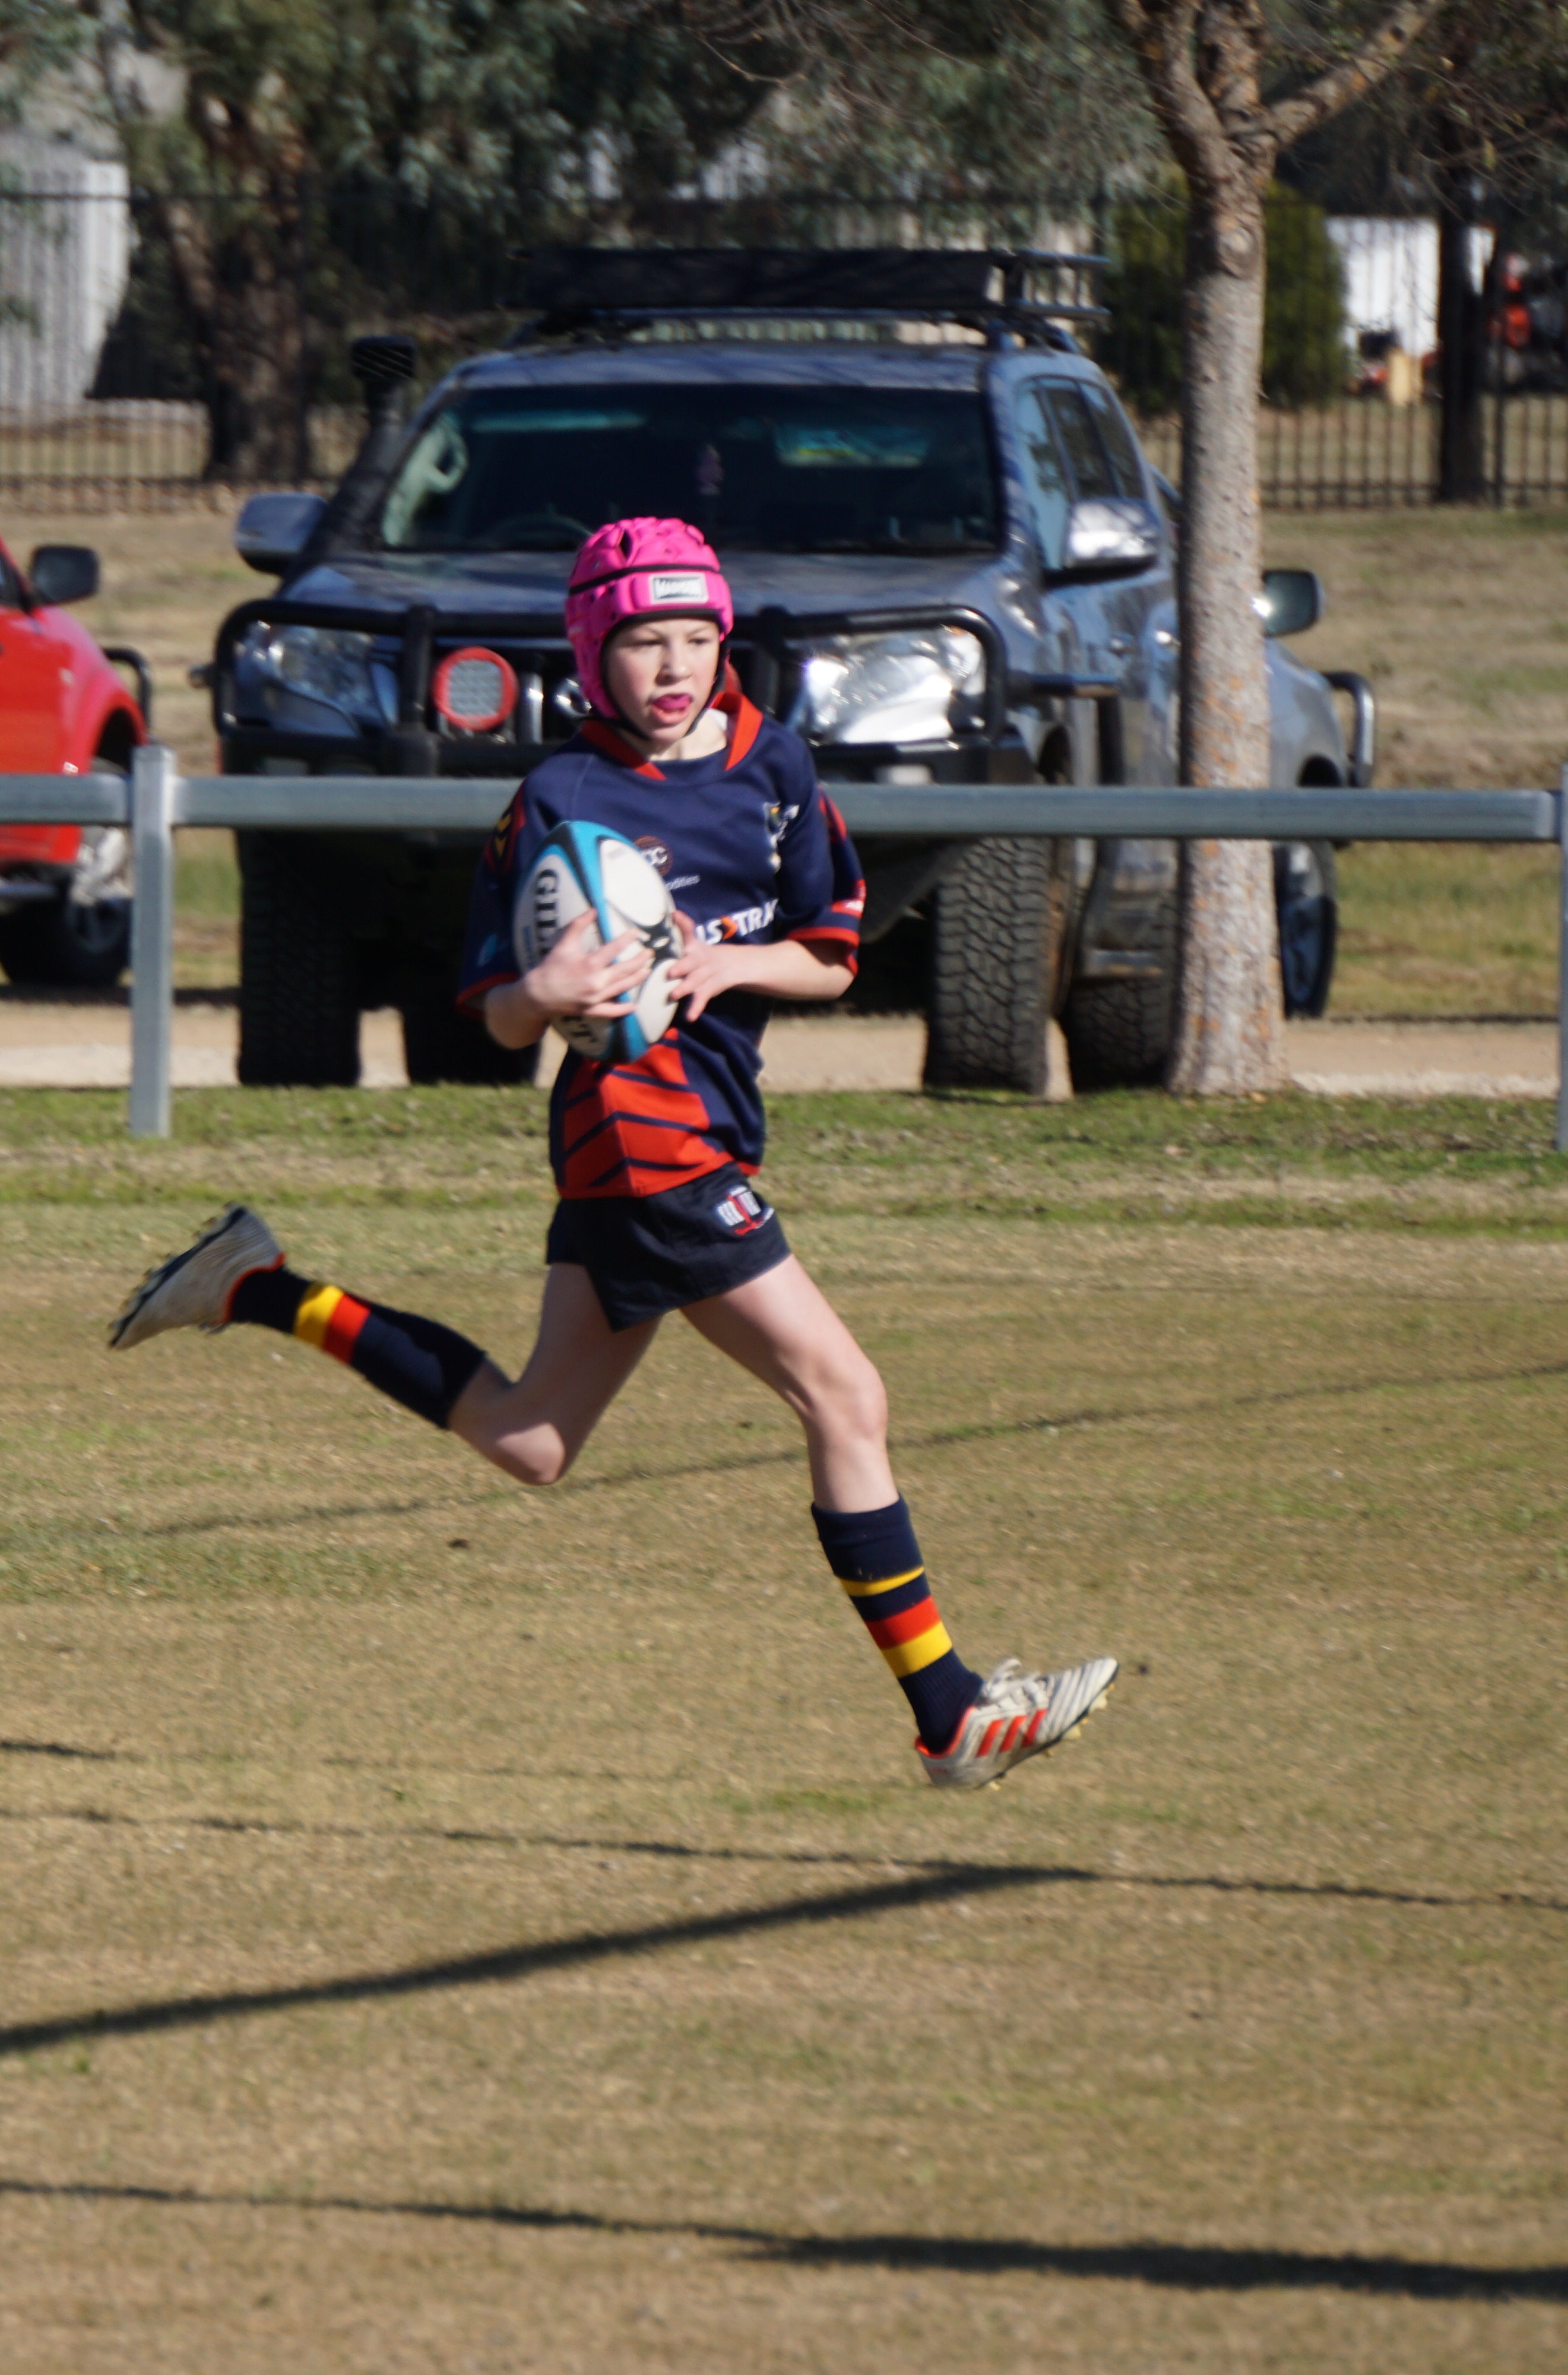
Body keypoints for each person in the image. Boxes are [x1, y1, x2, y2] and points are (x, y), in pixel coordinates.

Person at [111, 518, 1115, 1788]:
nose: (676, 664)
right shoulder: (558, 802)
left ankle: (258, 1286)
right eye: (646, 641)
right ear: (596, 651)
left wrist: (732, 960)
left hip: (684, 1136)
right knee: (845, 1395)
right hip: (646, 1139)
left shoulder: (774, 768)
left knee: (532, 1439)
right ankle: (952, 1712)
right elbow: (494, 1007)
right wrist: (548, 987)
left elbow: (832, 948)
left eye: (697, 637)